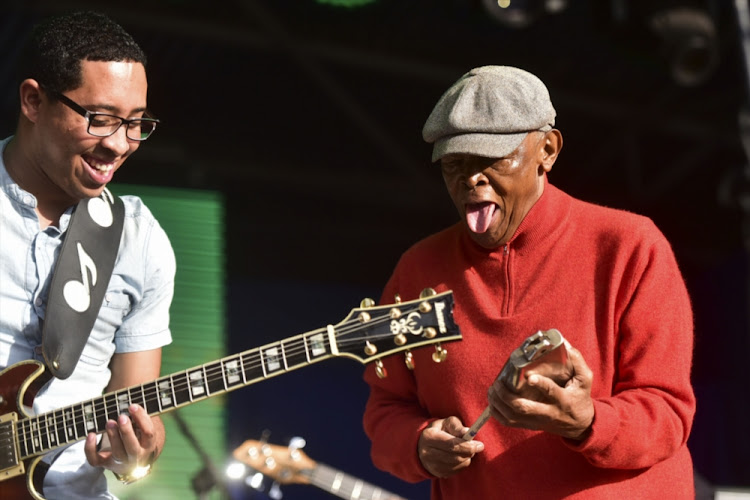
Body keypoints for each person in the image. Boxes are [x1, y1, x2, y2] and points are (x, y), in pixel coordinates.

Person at [362, 66, 695, 499]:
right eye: (453, 164)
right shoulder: (418, 270)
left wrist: (589, 421)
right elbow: (385, 409)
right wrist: (419, 443)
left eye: (492, 159)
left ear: (548, 150)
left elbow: (668, 413)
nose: (471, 179)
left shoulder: (628, 246)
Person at [0, 11, 175, 499]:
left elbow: (138, 408)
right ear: (33, 101)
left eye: (137, 123)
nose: (120, 144)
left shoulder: (140, 240)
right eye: (100, 119)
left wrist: (136, 451)